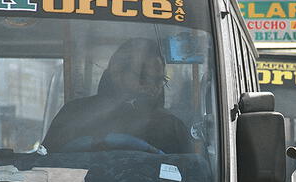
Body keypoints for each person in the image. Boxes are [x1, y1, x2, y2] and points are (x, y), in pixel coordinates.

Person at [43, 38, 194, 154]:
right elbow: (44, 167)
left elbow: (193, 178)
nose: (154, 87)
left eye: (160, 80)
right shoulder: (74, 114)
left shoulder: (173, 127)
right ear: (117, 72)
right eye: (143, 78)